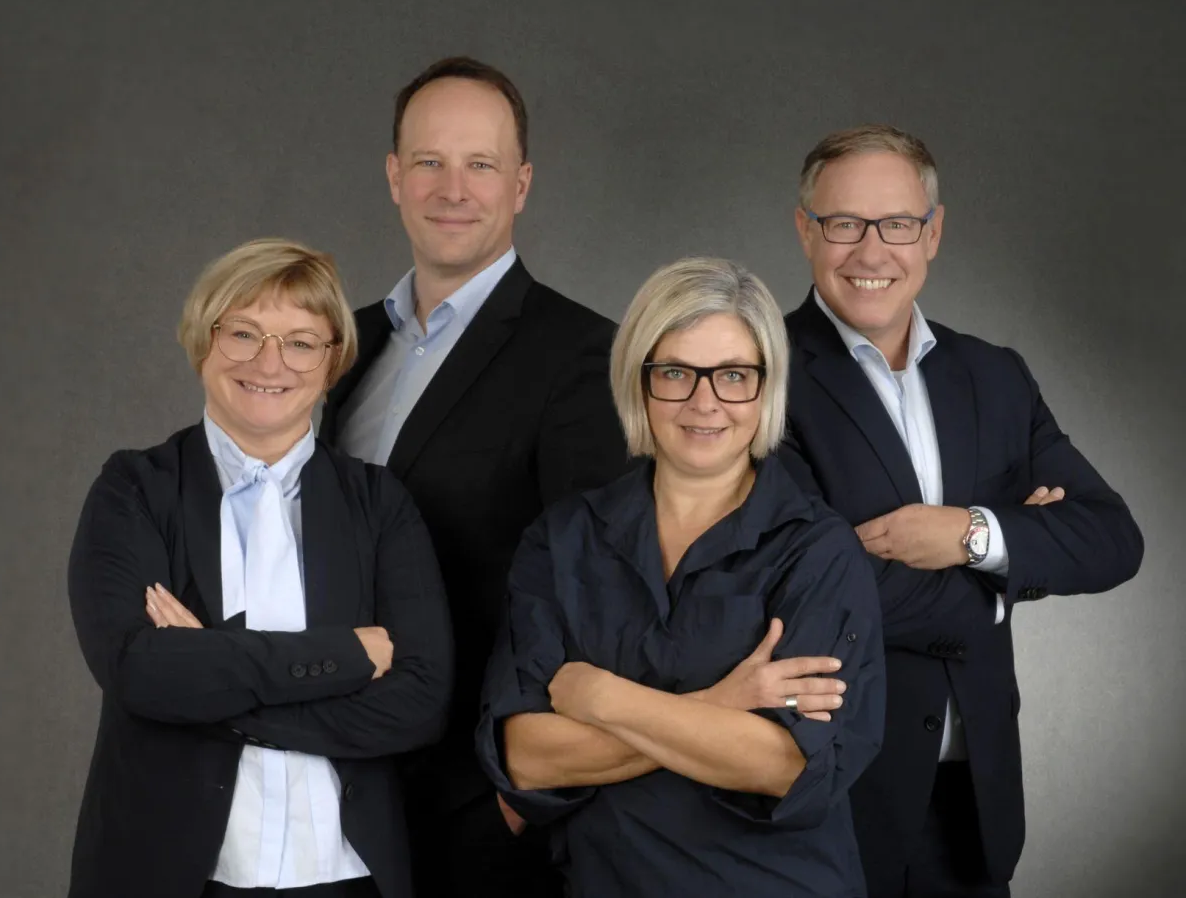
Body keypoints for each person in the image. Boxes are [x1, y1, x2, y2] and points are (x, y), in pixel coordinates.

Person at [784, 124, 1145, 897]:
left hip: (974, 803)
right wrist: (1013, 566)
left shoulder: (995, 377)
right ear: (805, 229)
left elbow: (1113, 538)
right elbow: (813, 588)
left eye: (899, 224)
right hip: (833, 795)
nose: (872, 252)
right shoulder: (759, 377)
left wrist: (971, 534)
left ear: (934, 233)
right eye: (844, 224)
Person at [478, 257, 885, 897]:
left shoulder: (817, 551)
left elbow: (785, 764)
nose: (705, 403)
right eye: (675, 372)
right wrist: (720, 705)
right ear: (638, 381)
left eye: (732, 376)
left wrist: (601, 698)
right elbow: (528, 755)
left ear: (766, 387)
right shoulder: (564, 538)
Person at [319, 57, 629, 897]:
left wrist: (522, 798)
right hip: (331, 781)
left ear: (520, 184)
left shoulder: (584, 356)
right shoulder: (336, 348)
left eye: (480, 164)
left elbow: (598, 594)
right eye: (429, 162)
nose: (452, 188)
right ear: (393, 176)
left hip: (476, 801)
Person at [67, 238, 454, 898]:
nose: (269, 362)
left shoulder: (379, 502)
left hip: (348, 875)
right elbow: (137, 670)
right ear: (203, 341)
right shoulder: (134, 488)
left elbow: (418, 703)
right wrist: (344, 656)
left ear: (331, 362)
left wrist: (212, 676)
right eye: (243, 333)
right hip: (170, 874)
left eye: (302, 342)